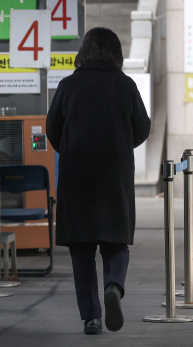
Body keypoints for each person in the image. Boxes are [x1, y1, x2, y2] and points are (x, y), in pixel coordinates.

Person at [46, 27, 151, 335]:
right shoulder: (125, 84)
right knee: (116, 242)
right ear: (116, 53)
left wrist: (73, 147)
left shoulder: (68, 85)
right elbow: (142, 128)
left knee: (81, 250)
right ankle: (114, 287)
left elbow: (52, 128)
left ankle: (91, 317)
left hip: (76, 175)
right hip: (114, 174)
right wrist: (119, 143)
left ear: (83, 52)